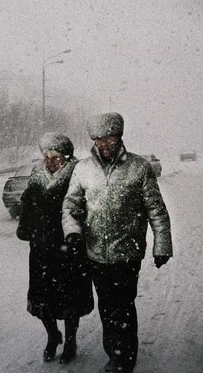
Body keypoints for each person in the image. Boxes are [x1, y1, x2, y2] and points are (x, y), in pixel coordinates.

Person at [62, 112, 173, 373]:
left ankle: (123, 356)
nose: (105, 144)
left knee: (122, 304)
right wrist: (73, 231)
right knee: (106, 305)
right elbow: (71, 205)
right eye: (99, 140)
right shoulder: (83, 169)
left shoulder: (139, 167)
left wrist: (162, 244)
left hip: (128, 252)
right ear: (93, 141)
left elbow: (155, 209)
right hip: (96, 252)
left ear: (119, 137)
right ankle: (115, 352)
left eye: (110, 138)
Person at [15, 132, 93, 364]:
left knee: (70, 300)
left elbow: (87, 209)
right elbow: (28, 206)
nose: (50, 160)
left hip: (69, 249)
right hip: (41, 249)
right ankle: (52, 336)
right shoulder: (36, 176)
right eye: (47, 155)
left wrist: (79, 235)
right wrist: (25, 228)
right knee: (42, 300)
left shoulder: (78, 175)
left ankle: (70, 341)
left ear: (67, 157)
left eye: (56, 156)